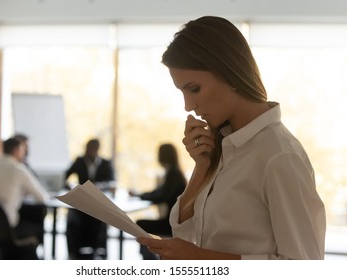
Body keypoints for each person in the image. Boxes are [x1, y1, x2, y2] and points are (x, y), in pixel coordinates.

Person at [137, 16, 326, 260]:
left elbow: (306, 267)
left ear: (230, 73)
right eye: (182, 92)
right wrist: (202, 167)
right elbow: (184, 230)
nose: (188, 105)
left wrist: (200, 258)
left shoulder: (279, 156)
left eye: (194, 89)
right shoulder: (225, 146)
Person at [0, 137, 49, 257]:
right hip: (8, 228)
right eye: (23, 149)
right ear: (17, 150)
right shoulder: (18, 169)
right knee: (36, 219)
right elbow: (42, 197)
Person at [130, 143, 186, 259]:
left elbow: (162, 196)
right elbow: (159, 192)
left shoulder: (173, 174)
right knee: (141, 224)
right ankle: (149, 258)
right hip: (173, 221)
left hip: (172, 224)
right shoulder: (174, 172)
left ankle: (149, 260)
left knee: (141, 224)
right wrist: (140, 195)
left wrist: (142, 196)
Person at [64, 138, 115, 259]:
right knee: (72, 221)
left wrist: (99, 185)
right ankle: (74, 253)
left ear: (97, 150)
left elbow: (112, 182)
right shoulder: (79, 161)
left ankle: (97, 252)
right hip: (81, 203)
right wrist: (71, 186)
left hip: (98, 203)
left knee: (98, 221)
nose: (88, 152)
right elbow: (65, 176)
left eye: (91, 149)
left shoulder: (106, 164)